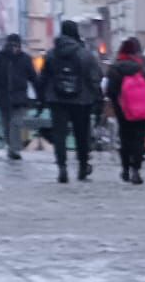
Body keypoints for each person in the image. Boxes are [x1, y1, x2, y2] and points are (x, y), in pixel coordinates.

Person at [39, 21, 104, 184]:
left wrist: (42, 99)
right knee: (82, 134)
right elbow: (95, 78)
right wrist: (98, 98)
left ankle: (62, 167)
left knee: (59, 134)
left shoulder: (52, 54)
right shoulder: (85, 54)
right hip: (82, 100)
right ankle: (83, 166)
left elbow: (43, 78)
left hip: (57, 99)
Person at [103, 37, 145, 185]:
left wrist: (117, 103)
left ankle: (125, 169)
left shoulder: (115, 68)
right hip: (141, 110)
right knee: (139, 139)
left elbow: (110, 91)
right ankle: (136, 170)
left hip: (123, 110)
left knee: (125, 138)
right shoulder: (143, 67)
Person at [0, 35, 37, 160]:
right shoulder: (0, 57)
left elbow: (33, 78)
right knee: (7, 125)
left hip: (19, 98)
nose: (15, 48)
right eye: (12, 45)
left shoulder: (25, 59)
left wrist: (39, 94)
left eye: (17, 45)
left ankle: (14, 149)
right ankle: (11, 147)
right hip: (4, 98)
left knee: (16, 123)